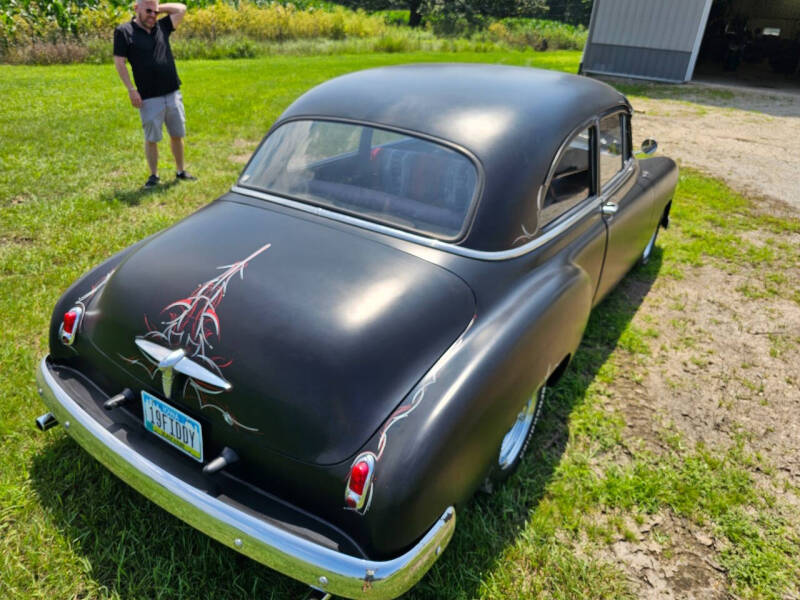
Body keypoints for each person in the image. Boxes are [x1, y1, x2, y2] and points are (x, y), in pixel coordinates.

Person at [113, 0, 196, 188]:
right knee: (152, 138)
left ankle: (181, 171)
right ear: (136, 9)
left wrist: (159, 9)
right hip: (148, 96)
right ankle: (154, 176)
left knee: (177, 134)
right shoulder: (124, 32)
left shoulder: (162, 26)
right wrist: (131, 89)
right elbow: (120, 62)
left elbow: (181, 8)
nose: (152, 15)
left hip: (172, 91)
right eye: (148, 11)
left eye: (155, 11)